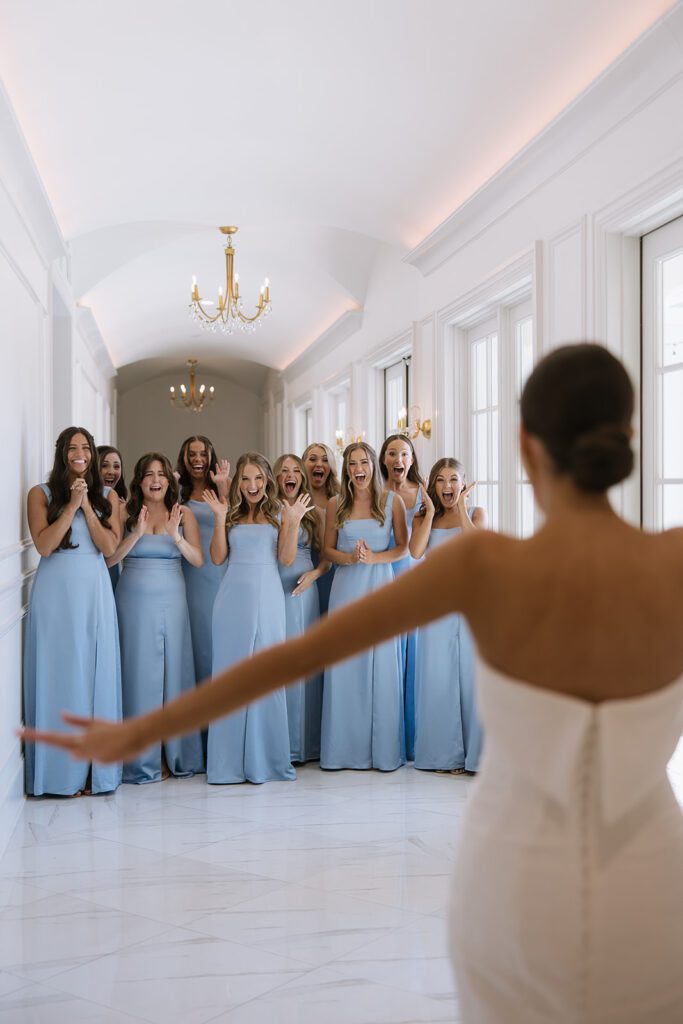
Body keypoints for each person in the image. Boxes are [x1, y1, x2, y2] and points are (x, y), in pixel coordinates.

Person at [22, 345, 683, 1024]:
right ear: (628, 437)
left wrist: (138, 730)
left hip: (515, 883)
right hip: (658, 881)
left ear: (523, 442)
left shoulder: (485, 561)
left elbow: (289, 660)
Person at [24, 426, 122, 796]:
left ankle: (92, 773)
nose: (79, 453)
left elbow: (109, 546)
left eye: (86, 448)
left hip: (94, 591)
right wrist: (69, 506)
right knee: (59, 675)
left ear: (93, 455)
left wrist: (88, 508)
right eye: (72, 447)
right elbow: (45, 546)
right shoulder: (40, 494)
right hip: (54, 593)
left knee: (94, 676)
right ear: (61, 453)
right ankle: (58, 774)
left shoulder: (108, 495)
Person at [202, 452, 306, 784]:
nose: (252, 485)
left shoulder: (279, 513)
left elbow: (287, 559)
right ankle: (226, 763)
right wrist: (218, 520)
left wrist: (295, 522)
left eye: (258, 478)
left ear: (267, 481)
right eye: (245, 479)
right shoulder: (228, 513)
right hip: (232, 600)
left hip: (269, 598)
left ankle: (267, 760)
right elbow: (217, 557)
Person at [109, 453, 205, 783]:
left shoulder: (184, 513)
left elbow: (198, 560)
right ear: (139, 480)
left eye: (161, 474)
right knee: (139, 677)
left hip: (172, 599)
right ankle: (139, 758)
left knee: (174, 675)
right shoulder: (124, 511)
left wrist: (176, 536)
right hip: (132, 600)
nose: (155, 479)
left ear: (169, 480)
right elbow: (110, 558)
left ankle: (174, 753)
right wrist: (134, 533)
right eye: (149, 474)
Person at [320, 442, 408, 770]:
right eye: (353, 463)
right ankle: (342, 752)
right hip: (345, 589)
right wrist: (349, 558)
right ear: (346, 469)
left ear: (373, 466)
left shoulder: (392, 501)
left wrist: (373, 558)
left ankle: (382, 754)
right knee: (345, 666)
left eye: (364, 462)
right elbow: (327, 550)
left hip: (380, 587)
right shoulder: (335, 504)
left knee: (381, 666)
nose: (359, 468)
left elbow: (403, 548)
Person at [409, 458, 485, 772]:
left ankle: (472, 755)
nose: (447, 487)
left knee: (469, 676)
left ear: (463, 484)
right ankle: (442, 754)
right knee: (437, 676)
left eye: (453, 480)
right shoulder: (422, 517)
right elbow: (415, 552)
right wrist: (427, 509)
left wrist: (464, 507)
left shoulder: (476, 514)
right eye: (440, 480)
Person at [274, 454, 329, 762]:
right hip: (274, 589)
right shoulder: (268, 510)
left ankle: (304, 744)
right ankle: (280, 741)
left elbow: (327, 557)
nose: (290, 476)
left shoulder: (315, 514)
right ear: (276, 478)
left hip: (304, 590)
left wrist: (315, 574)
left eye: (296, 471)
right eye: (284, 471)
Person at [379, 433, 424, 760]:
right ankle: (387, 737)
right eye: (392, 453)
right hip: (382, 580)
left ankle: (415, 739)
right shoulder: (374, 495)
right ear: (383, 460)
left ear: (411, 459)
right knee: (387, 661)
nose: (398, 460)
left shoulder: (425, 495)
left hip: (417, 580)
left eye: (404, 454)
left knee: (415, 661)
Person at [175, 436, 231, 686]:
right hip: (187, 572)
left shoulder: (224, 484)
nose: (198, 459)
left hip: (218, 571)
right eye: (192, 454)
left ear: (211, 457)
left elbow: (233, 522)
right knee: (190, 638)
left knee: (214, 637)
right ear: (184, 458)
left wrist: (222, 488)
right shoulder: (176, 488)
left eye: (203, 454)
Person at [302, 442, 340, 614]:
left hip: (335, 572)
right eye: (312, 459)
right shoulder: (295, 497)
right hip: (303, 570)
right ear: (302, 464)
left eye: (325, 460)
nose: (319, 464)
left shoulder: (342, 498)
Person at [97, 444, 127, 590]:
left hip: (114, 571)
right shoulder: (84, 502)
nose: (111, 471)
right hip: (94, 569)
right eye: (104, 466)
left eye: (116, 466)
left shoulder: (123, 505)